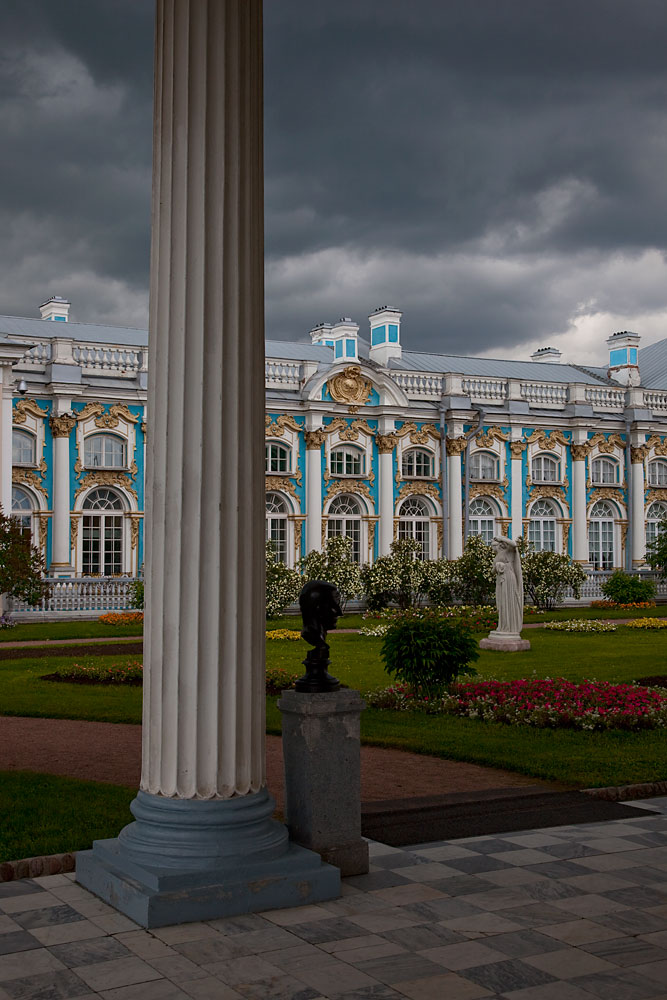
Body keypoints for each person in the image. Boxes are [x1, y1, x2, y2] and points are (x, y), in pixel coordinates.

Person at [492, 536, 523, 636]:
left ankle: (509, 627)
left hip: (508, 578)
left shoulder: (508, 552)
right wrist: (497, 567)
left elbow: (514, 544)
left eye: (493, 546)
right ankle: (503, 625)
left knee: (508, 600)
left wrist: (501, 538)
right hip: (500, 579)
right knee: (502, 603)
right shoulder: (496, 557)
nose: (492, 549)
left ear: (498, 545)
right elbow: (493, 570)